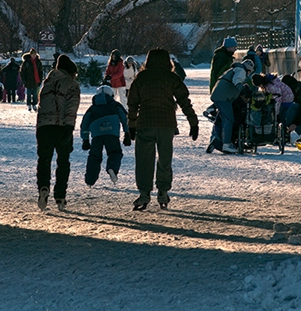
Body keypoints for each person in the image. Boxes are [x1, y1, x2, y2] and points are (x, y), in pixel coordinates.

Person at [127, 48, 199, 211]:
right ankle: (163, 192)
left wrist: (132, 124)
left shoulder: (142, 78)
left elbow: (132, 103)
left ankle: (144, 193)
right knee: (164, 160)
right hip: (166, 124)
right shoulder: (172, 78)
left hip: (145, 123)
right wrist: (193, 122)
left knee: (144, 161)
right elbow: (184, 101)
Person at [35, 54, 81, 211]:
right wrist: (69, 127)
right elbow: (71, 108)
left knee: (44, 159)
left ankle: (43, 187)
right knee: (63, 161)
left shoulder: (46, 83)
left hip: (44, 127)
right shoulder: (71, 85)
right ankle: (60, 196)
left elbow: (41, 107)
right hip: (61, 126)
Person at [80, 85, 129, 186]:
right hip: (112, 133)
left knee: (94, 156)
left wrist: (85, 139)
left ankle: (90, 180)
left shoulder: (92, 108)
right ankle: (112, 168)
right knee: (115, 152)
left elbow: (85, 124)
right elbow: (125, 119)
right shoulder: (116, 105)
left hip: (97, 135)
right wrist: (127, 133)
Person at [210, 58, 254, 153]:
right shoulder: (241, 70)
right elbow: (237, 80)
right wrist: (242, 89)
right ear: (248, 70)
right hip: (223, 97)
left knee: (221, 118)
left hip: (218, 94)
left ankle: (215, 138)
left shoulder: (234, 69)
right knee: (229, 119)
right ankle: (226, 144)